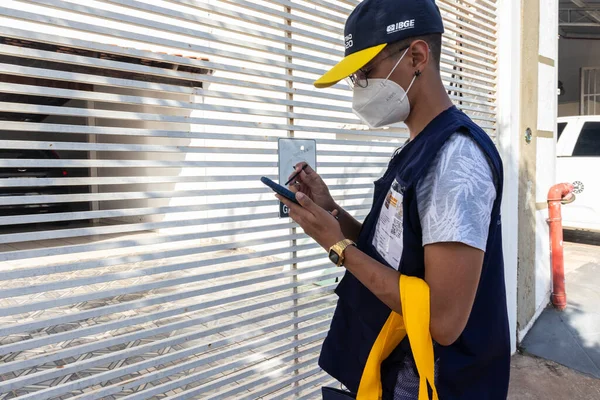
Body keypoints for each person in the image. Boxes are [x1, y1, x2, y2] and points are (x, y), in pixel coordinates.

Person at [275, 0, 511, 399]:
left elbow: (443, 320)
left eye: (366, 72)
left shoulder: (456, 160)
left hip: (438, 382)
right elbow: (394, 249)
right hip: (397, 367)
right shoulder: (416, 148)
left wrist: (338, 247)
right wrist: (330, 210)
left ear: (417, 56)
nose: (359, 89)